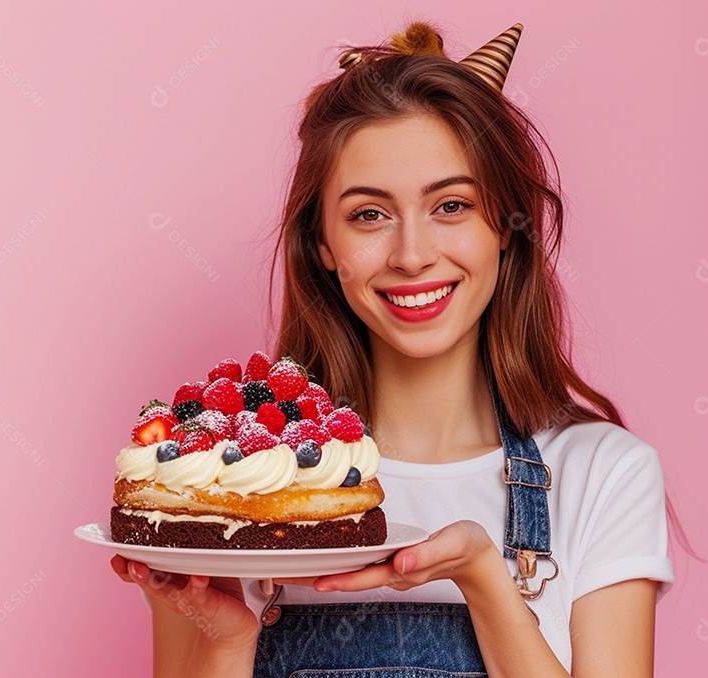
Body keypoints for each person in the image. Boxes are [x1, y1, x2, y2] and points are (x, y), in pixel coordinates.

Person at [111, 19, 677, 677]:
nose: (412, 256)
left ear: (505, 224)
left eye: (452, 206)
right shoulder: (229, 489)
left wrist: (485, 579)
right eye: (369, 215)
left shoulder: (603, 474)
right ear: (323, 243)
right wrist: (229, 640)